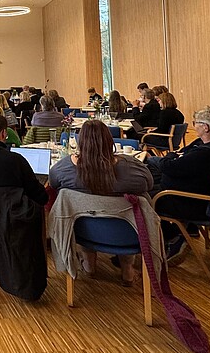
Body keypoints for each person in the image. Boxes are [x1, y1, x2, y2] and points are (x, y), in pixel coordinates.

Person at [49, 120, 153, 282]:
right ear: (110, 141)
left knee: (80, 210)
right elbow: (149, 184)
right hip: (129, 234)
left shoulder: (63, 169)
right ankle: (127, 269)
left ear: (80, 141)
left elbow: (54, 184)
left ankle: (89, 263)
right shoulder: (133, 169)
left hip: (84, 232)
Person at [144, 106, 210, 261]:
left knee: (144, 198)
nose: (194, 125)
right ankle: (175, 235)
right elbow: (184, 153)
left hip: (190, 201)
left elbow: (169, 165)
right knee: (151, 179)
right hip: (197, 194)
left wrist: (171, 156)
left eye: (196, 123)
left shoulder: (205, 153)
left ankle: (171, 237)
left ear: (205, 127)